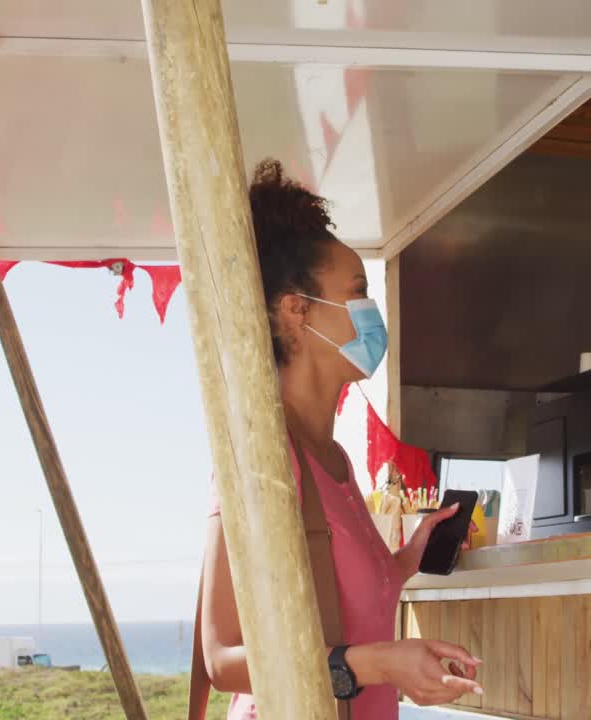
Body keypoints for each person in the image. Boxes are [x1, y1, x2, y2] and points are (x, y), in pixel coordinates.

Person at [200, 160, 483, 718]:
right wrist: (380, 664)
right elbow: (223, 656)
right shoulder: (262, 456)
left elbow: (344, 600)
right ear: (297, 312)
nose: (370, 312)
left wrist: (409, 557)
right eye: (357, 293)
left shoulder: (336, 459)